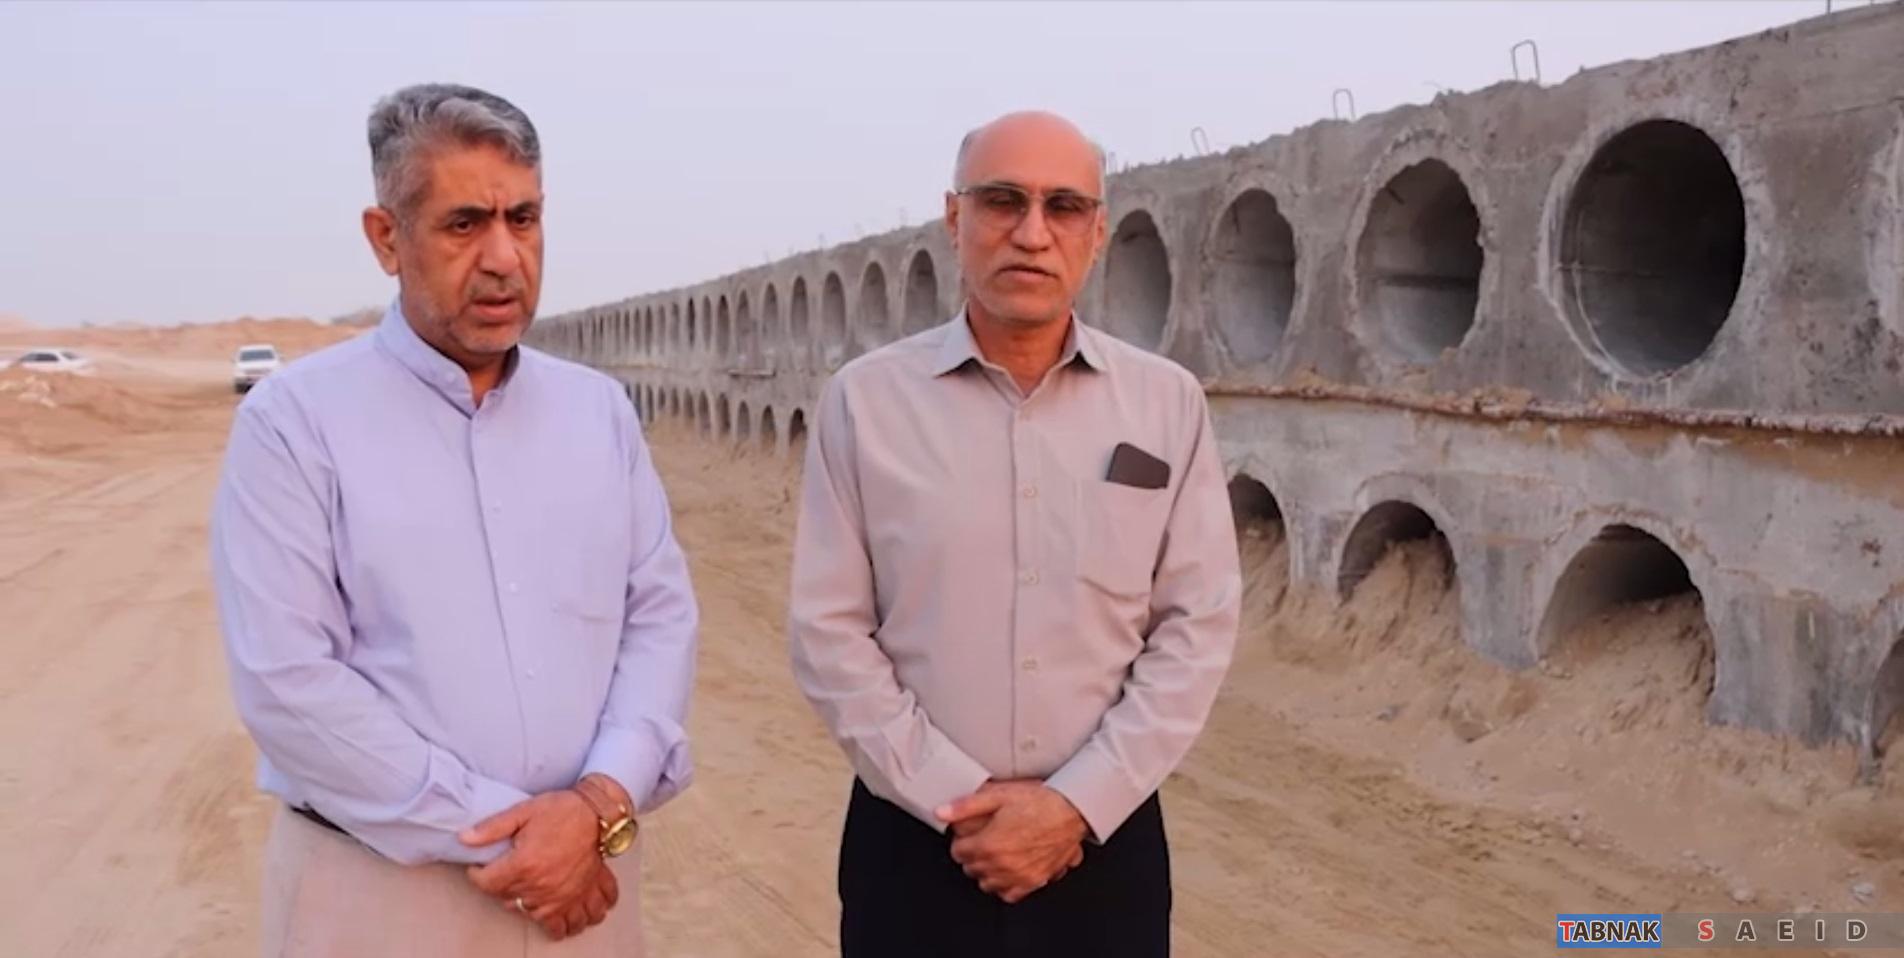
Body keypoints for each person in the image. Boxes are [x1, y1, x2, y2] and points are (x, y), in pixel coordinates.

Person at [210, 83, 697, 957]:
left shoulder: (599, 413)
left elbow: (658, 617)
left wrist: (597, 804)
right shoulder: (295, 423)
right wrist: (511, 832)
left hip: (586, 897)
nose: (505, 258)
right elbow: (288, 682)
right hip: (382, 902)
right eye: (465, 224)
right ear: (386, 238)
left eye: (524, 218)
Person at [787, 110, 1242, 957]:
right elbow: (828, 629)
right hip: (915, 845)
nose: (1033, 234)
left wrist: (1075, 803)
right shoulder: (866, 403)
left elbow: (1196, 622)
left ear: (1097, 233)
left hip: (1102, 845)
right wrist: (955, 798)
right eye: (1002, 201)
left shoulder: (1166, 404)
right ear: (954, 218)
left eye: (1063, 207)